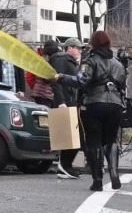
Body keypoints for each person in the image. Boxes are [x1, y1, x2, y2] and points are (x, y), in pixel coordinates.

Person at [56, 31, 126, 192]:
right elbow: (122, 84)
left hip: (94, 104)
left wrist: (60, 77)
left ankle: (97, 180)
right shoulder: (118, 63)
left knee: (94, 142)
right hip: (115, 105)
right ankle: (114, 172)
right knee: (111, 140)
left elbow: (81, 81)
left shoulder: (90, 61)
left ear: (94, 44)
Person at [50, 37, 85, 180]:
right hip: (66, 102)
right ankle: (64, 165)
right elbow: (56, 81)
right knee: (72, 137)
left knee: (73, 137)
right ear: (70, 48)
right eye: (78, 48)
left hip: (71, 101)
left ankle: (65, 165)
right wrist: (61, 101)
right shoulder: (61, 60)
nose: (80, 51)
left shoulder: (69, 61)